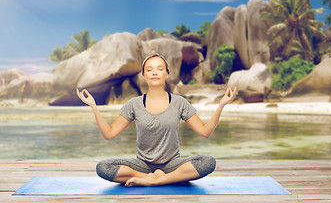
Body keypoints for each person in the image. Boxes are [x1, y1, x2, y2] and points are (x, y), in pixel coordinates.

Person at [76, 54, 236, 187]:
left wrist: (221, 105)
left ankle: (155, 181)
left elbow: (205, 132)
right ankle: (160, 178)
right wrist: (93, 106)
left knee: (207, 162)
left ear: (167, 73)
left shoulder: (179, 102)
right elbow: (109, 134)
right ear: (144, 75)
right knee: (103, 167)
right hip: (142, 166)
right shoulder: (134, 104)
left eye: (160, 69)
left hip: (172, 164)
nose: (155, 73)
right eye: (149, 69)